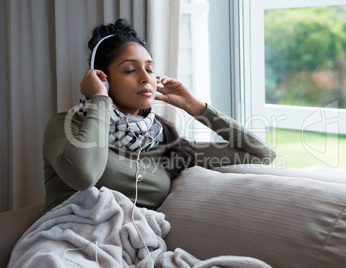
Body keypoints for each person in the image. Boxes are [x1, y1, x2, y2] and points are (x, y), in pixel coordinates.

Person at [42, 18, 276, 214]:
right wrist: (100, 100)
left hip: (131, 249)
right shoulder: (66, 125)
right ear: (103, 78)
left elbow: (261, 154)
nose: (146, 78)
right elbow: (83, 176)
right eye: (130, 70)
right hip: (64, 241)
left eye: (150, 69)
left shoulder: (164, 142)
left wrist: (195, 106)